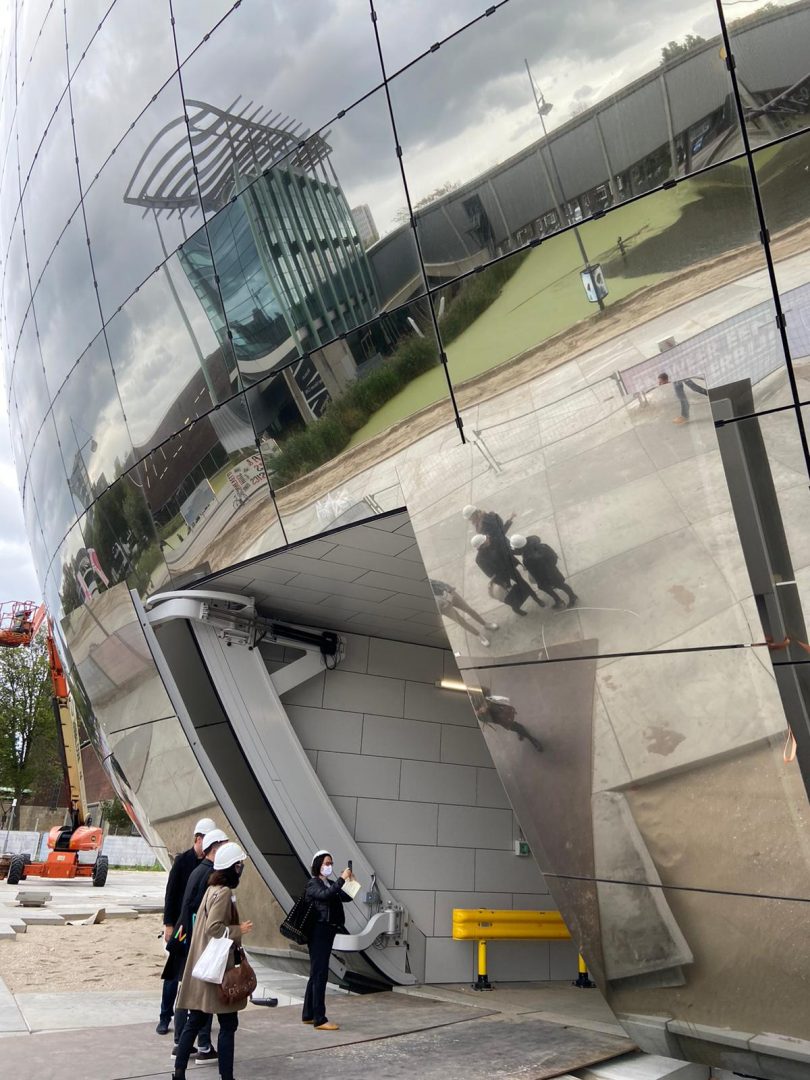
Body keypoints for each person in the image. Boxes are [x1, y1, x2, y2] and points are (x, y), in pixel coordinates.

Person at [172, 842, 253, 1080]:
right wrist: (239, 929)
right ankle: (226, 1077)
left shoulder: (212, 888)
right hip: (219, 971)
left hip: (205, 967)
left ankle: (179, 1073)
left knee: (194, 1020)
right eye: (240, 865)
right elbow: (214, 928)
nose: (241, 868)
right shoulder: (224, 892)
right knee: (228, 1026)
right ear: (233, 867)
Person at [166, 828, 229, 1063]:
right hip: (199, 942)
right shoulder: (210, 875)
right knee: (202, 999)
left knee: (188, 994)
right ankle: (201, 1045)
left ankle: (182, 1043)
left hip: (189, 938)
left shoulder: (197, 870)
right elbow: (207, 918)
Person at [157, 816, 215, 1036]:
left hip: (199, 929)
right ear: (198, 838)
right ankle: (164, 1016)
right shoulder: (183, 861)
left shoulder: (210, 865)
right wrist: (168, 924)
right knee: (173, 974)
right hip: (181, 927)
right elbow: (171, 894)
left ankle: (195, 1019)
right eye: (207, 841)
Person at [302, 851, 354, 1031]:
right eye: (326, 863)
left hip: (328, 930)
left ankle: (308, 1014)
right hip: (318, 932)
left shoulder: (329, 883)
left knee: (316, 973)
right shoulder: (313, 884)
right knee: (320, 974)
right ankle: (320, 1018)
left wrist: (349, 881)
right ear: (318, 865)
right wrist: (340, 879)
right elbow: (325, 895)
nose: (329, 866)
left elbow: (347, 896)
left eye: (331, 863)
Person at [471, 534, 543, 615]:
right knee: (511, 594)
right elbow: (489, 573)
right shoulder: (480, 559)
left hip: (511, 569)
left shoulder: (495, 542)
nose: (488, 537)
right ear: (482, 545)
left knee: (523, 584)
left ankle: (536, 599)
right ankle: (516, 609)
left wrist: (518, 562)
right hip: (502, 577)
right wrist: (502, 582)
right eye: (486, 538)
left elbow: (508, 553)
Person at [510, 533, 577, 608]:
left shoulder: (528, 560)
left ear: (519, 548)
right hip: (553, 570)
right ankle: (571, 596)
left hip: (545, 576)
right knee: (561, 584)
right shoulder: (541, 545)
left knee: (546, 587)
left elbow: (535, 574)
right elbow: (553, 557)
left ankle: (561, 600)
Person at [430, 578, 499, 647]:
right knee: (460, 621)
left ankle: (485, 624)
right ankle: (479, 635)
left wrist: (448, 588)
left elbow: (431, 581)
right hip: (441, 606)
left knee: (468, 609)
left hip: (446, 592)